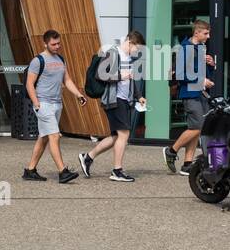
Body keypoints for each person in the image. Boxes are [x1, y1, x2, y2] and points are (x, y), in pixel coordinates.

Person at [23, 29, 88, 184]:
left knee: (44, 137)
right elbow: (29, 84)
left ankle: (30, 170)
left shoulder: (60, 59)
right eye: (53, 44)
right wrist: (36, 103)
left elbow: (67, 80)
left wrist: (78, 94)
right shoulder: (38, 61)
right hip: (43, 104)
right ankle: (62, 171)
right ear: (45, 43)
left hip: (57, 104)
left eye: (58, 43)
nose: (57, 46)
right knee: (54, 136)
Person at [80, 31, 146, 182]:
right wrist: (119, 76)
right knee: (124, 134)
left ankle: (87, 157)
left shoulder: (128, 58)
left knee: (116, 136)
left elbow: (130, 80)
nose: (137, 52)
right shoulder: (113, 53)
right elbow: (100, 75)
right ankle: (117, 170)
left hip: (123, 100)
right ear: (130, 43)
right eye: (137, 48)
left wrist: (139, 96)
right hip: (114, 99)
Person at [165, 19, 216, 176]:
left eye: (208, 33)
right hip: (190, 93)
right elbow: (181, 75)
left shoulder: (201, 48)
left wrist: (211, 65)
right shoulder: (185, 49)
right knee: (198, 126)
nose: (208, 36)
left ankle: (187, 164)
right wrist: (201, 81)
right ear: (197, 32)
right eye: (206, 33)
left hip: (201, 93)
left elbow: (206, 75)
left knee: (195, 128)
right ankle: (171, 151)